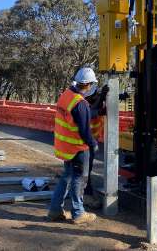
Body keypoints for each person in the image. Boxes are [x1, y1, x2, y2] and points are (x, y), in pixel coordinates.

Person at [48, 67, 99, 224]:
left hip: (65, 147)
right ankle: (78, 213)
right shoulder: (81, 104)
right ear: (89, 84)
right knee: (79, 179)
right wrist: (93, 144)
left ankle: (55, 210)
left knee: (66, 177)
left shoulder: (66, 95)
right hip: (77, 148)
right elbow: (85, 131)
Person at [84, 85, 109, 209]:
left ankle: (83, 194)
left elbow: (99, 107)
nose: (98, 97)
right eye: (96, 95)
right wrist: (103, 95)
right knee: (85, 172)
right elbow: (95, 110)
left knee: (83, 171)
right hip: (85, 144)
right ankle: (87, 196)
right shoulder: (86, 107)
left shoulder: (93, 104)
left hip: (90, 143)